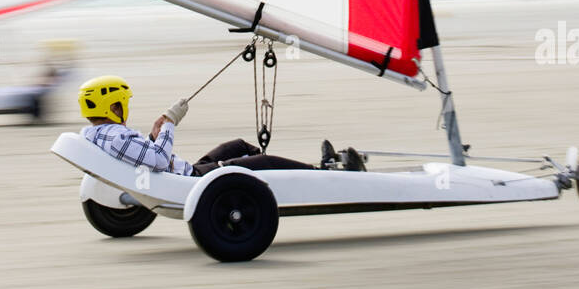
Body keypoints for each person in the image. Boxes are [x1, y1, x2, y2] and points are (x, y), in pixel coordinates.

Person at [77, 76, 365, 175]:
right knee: (260, 160)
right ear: (113, 107)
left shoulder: (97, 135)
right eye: (123, 103)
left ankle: (278, 175)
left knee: (238, 147)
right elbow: (160, 160)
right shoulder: (117, 137)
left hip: (185, 171)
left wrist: (153, 136)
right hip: (190, 179)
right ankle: (320, 172)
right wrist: (168, 126)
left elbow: (147, 159)